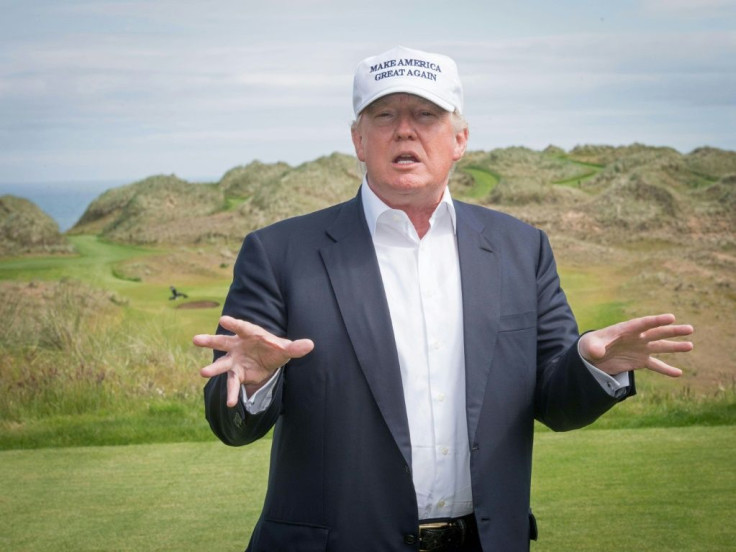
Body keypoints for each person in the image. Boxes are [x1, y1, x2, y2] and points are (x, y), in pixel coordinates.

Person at [194, 46, 693, 552]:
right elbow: (231, 425)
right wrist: (258, 384)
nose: (405, 130)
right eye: (384, 114)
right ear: (358, 140)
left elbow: (555, 402)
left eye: (426, 115)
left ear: (459, 140)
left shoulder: (521, 248)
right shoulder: (279, 253)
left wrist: (593, 367)